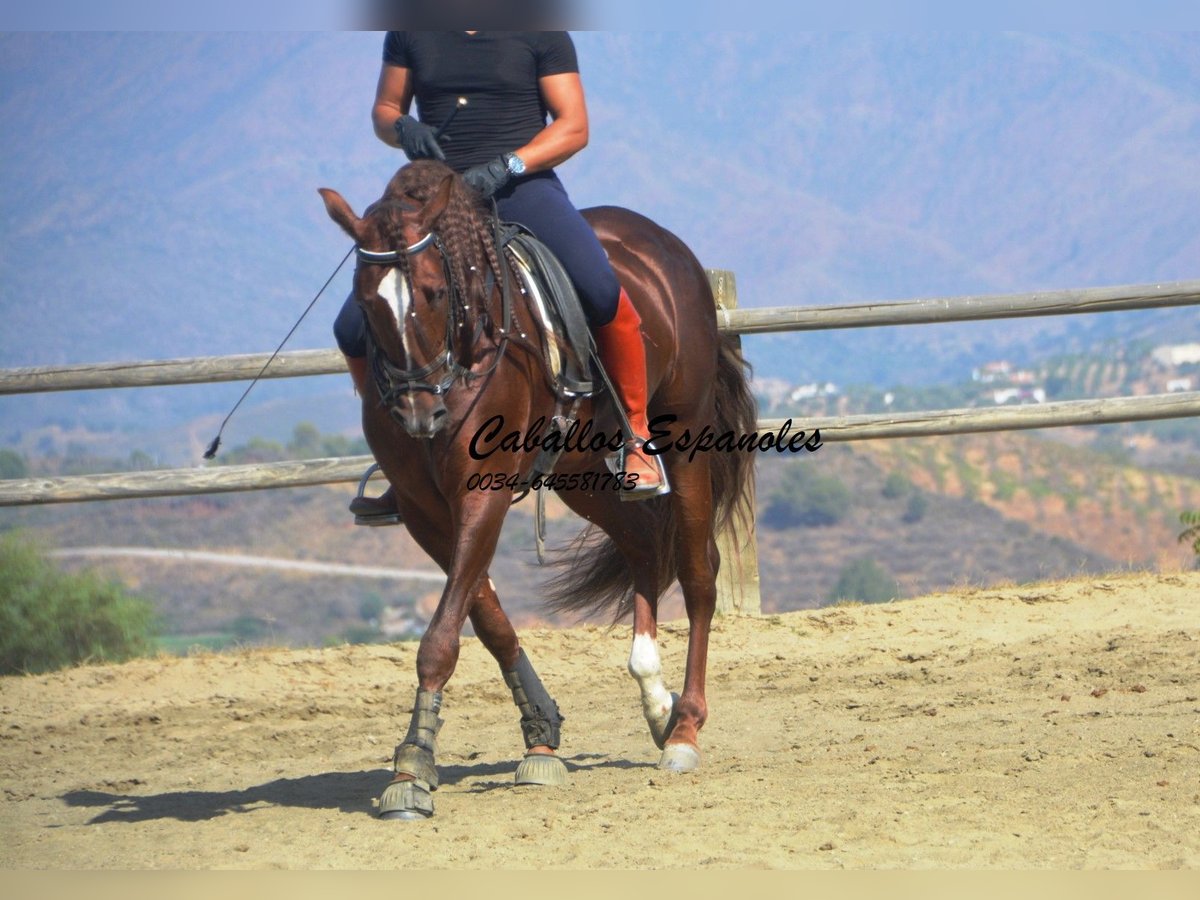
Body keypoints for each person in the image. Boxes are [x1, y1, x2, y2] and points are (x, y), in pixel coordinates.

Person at [336, 31, 667, 524]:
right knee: (351, 326)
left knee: (600, 289)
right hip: (436, 198)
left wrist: (508, 164)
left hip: (521, 186)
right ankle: (399, 458)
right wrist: (404, 129)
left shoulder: (541, 31)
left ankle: (635, 437)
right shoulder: (409, 29)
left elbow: (574, 128)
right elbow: (384, 109)